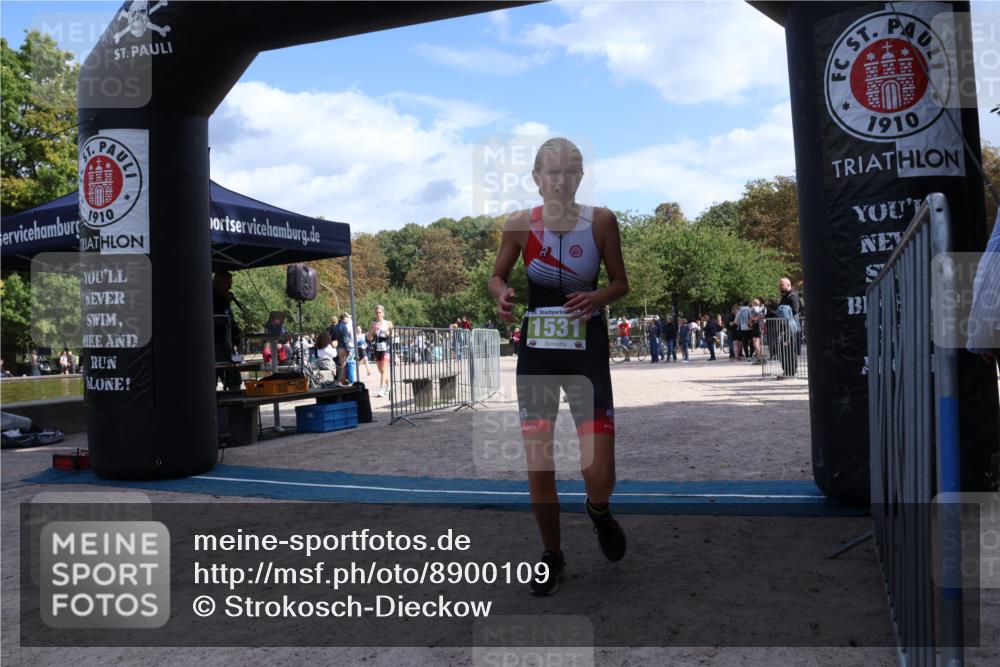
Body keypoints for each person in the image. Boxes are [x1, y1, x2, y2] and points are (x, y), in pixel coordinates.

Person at [488, 137, 629, 596]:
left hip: (586, 349)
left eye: (570, 172)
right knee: (540, 463)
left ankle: (598, 509)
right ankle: (552, 554)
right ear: (536, 178)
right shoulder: (518, 225)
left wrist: (600, 296)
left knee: (599, 471)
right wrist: (502, 294)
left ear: (581, 177)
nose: (560, 181)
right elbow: (498, 276)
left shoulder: (602, 221)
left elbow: (621, 282)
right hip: (538, 355)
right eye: (551, 172)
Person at [212, 270, 243, 390]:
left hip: (227, 348)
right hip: (213, 348)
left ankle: (235, 406)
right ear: (219, 283)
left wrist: (239, 336)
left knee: (235, 382)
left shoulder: (224, 300)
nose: (230, 287)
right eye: (228, 284)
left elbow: (231, 322)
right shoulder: (207, 298)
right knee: (210, 385)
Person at [368, 304, 393, 397]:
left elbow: (392, 335)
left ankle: (381, 389)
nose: (378, 314)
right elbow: (369, 337)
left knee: (383, 369)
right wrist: (372, 329)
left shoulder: (388, 323)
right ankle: (389, 385)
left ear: (383, 313)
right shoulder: (373, 323)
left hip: (386, 348)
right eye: (377, 313)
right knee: (381, 370)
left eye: (380, 312)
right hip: (377, 349)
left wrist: (388, 332)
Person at [332, 313, 355, 384]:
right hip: (344, 347)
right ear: (344, 318)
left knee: (342, 364)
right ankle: (343, 380)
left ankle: (343, 380)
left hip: (338, 348)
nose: (347, 319)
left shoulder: (336, 327)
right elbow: (346, 339)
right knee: (344, 365)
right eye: (346, 318)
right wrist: (348, 348)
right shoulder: (344, 326)